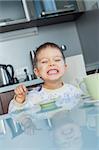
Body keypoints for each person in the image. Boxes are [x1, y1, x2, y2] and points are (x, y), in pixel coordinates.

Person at [9, 42, 82, 113]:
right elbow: (14, 115)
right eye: (44, 61)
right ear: (37, 72)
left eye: (57, 60)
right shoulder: (34, 97)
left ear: (65, 67)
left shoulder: (74, 91)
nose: (51, 64)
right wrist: (19, 99)